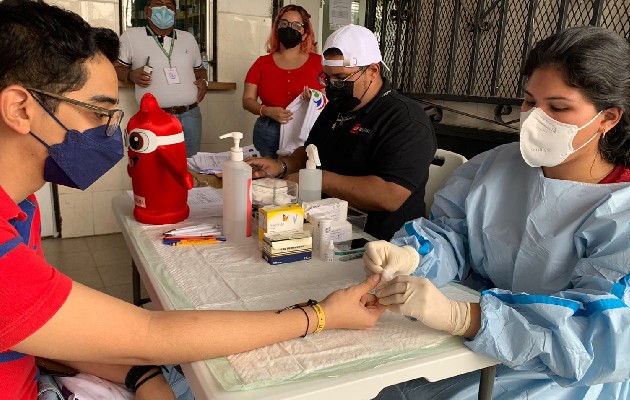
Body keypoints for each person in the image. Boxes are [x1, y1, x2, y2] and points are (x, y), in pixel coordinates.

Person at [0, 2, 387, 399]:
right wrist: (322, 315)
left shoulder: (20, 208)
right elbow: (148, 334)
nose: (108, 131)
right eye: (99, 112)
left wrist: (142, 377)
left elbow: (44, 333)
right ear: (19, 109)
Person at [365, 26, 630, 399]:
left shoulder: (620, 211)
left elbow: (601, 335)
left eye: (558, 108)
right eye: (529, 102)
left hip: (557, 374)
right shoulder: (496, 166)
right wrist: (413, 255)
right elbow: (454, 234)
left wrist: (464, 317)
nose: (535, 119)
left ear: (608, 118)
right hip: (468, 344)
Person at [248, 24, 437, 240]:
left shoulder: (405, 120)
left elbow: (389, 195)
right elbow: (311, 152)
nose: (333, 86)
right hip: (326, 226)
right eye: (327, 78)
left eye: (341, 78)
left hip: (380, 241)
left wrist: (319, 180)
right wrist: (281, 166)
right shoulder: (337, 107)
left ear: (373, 71)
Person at [114, 0, 207, 157]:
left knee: (191, 166)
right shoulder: (131, 36)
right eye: (158, 4)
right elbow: (116, 68)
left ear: (175, 14)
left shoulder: (188, 38)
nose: (164, 9)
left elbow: (200, 71)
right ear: (147, 11)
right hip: (154, 116)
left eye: (169, 6)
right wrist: (130, 75)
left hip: (190, 115)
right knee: (156, 168)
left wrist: (204, 82)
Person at [242, 5, 324, 157]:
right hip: (267, 131)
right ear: (277, 29)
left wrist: (314, 97)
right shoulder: (261, 63)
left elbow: (327, 100)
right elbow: (247, 100)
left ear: (305, 33)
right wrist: (265, 110)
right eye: (284, 24)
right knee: (264, 177)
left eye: (296, 25)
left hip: (305, 129)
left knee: (301, 176)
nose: (289, 28)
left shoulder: (318, 63)